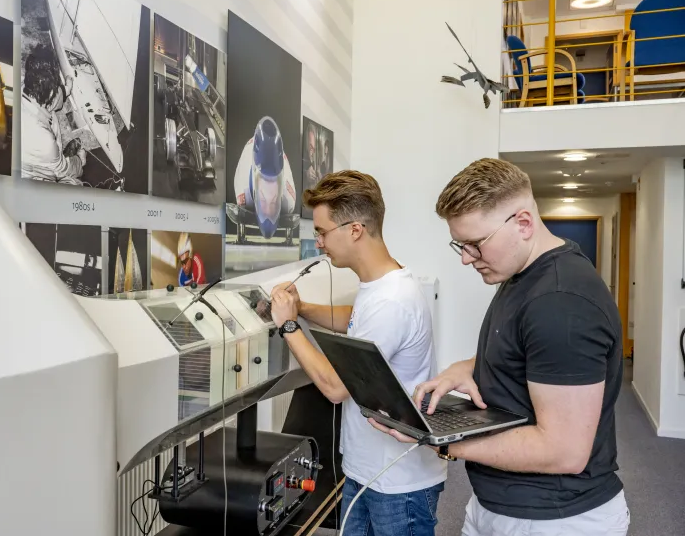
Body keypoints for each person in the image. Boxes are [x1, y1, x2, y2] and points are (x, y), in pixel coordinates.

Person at [372, 158, 628, 535]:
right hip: (501, 504)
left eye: (475, 244)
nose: (465, 258)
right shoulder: (522, 273)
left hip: (554, 519)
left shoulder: (561, 302)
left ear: (523, 223)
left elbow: (564, 451)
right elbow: (528, 353)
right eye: (459, 244)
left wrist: (441, 442)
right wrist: (468, 367)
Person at [270, 170, 446, 536]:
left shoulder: (393, 301)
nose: (318, 243)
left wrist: (288, 326)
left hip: (397, 483)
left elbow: (335, 387)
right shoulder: (381, 286)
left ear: (354, 230)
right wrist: (302, 308)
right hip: (367, 470)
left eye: (322, 232)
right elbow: (357, 321)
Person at [20, 44, 86, 184]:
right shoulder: (43, 140)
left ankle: (56, 156)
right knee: (75, 184)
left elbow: (49, 98)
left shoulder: (26, 87)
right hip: (33, 176)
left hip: (38, 153)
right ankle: (58, 158)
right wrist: (80, 161)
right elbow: (63, 169)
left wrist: (66, 89)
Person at [233, 116, 297, 238]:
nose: (267, 211)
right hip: (250, 147)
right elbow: (238, 174)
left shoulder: (289, 201)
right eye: (263, 200)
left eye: (273, 202)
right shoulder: (243, 194)